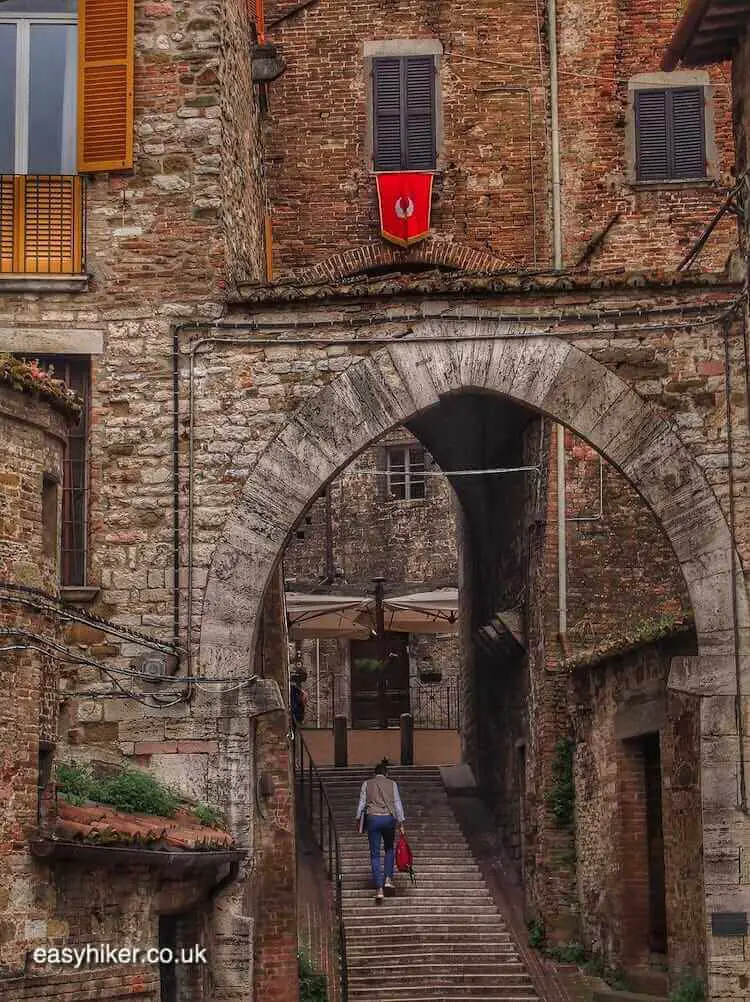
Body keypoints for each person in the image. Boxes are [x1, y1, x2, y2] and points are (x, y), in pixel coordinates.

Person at [355, 758, 406, 904]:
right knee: (389, 849)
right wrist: (401, 822)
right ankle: (388, 879)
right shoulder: (392, 784)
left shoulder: (367, 784)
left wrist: (358, 819)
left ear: (374, 773)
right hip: (388, 819)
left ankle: (379, 890)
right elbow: (397, 804)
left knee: (374, 855)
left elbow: (362, 803)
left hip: (373, 819)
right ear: (387, 773)